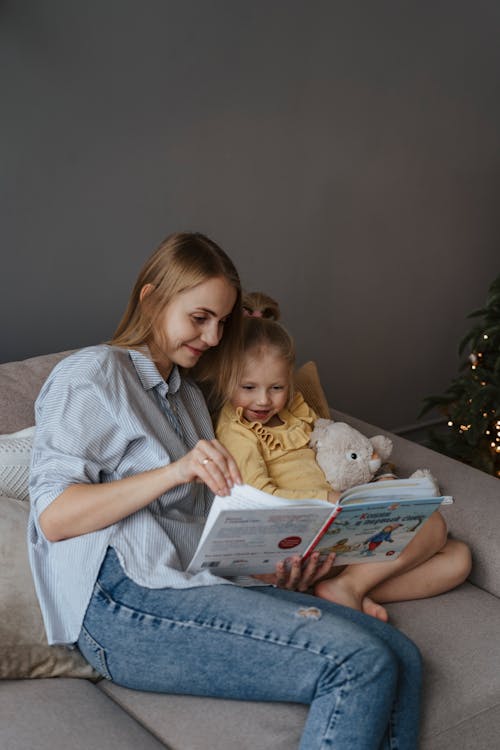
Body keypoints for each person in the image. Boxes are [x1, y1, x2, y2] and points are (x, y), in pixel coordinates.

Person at [28, 232, 423, 750]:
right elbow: (54, 517)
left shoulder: (190, 400)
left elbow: (204, 530)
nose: (214, 338)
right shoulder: (94, 375)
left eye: (222, 322)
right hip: (123, 602)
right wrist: (176, 471)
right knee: (359, 661)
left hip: (196, 584)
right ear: (151, 299)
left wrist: (273, 566)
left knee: (402, 656)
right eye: (200, 318)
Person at [216, 292, 472, 621]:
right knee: (434, 528)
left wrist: (378, 482)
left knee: (457, 556)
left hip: (338, 530)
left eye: (276, 387)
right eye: (248, 387)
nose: (263, 401)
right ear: (226, 377)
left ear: (288, 379)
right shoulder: (237, 429)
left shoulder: (295, 409)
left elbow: (332, 448)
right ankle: (346, 588)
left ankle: (350, 588)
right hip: (301, 542)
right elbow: (258, 496)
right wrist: (328, 498)